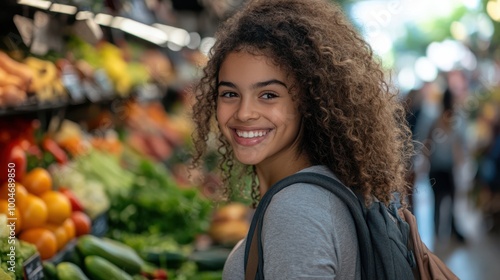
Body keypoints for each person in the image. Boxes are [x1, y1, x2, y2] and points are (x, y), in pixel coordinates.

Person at [190, 0, 414, 278]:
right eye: (230, 93)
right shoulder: (322, 187)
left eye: (268, 95)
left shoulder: (296, 210)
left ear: (308, 103)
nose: (244, 113)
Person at [424, 87, 467, 243]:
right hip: (447, 168)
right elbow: (460, 146)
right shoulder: (456, 121)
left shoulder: (435, 119)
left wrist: (426, 162)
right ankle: (449, 232)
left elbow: (427, 144)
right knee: (450, 201)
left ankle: (437, 233)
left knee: (437, 201)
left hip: (437, 168)